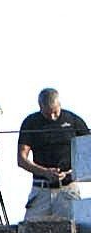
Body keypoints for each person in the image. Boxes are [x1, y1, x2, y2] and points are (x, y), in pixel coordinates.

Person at [22, 89, 84, 224]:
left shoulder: (73, 120)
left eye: (55, 112)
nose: (52, 117)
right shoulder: (31, 123)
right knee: (30, 231)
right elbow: (22, 159)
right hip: (41, 189)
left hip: (68, 189)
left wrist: (72, 171)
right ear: (40, 108)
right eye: (47, 113)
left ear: (59, 104)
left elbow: (88, 152)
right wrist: (45, 172)